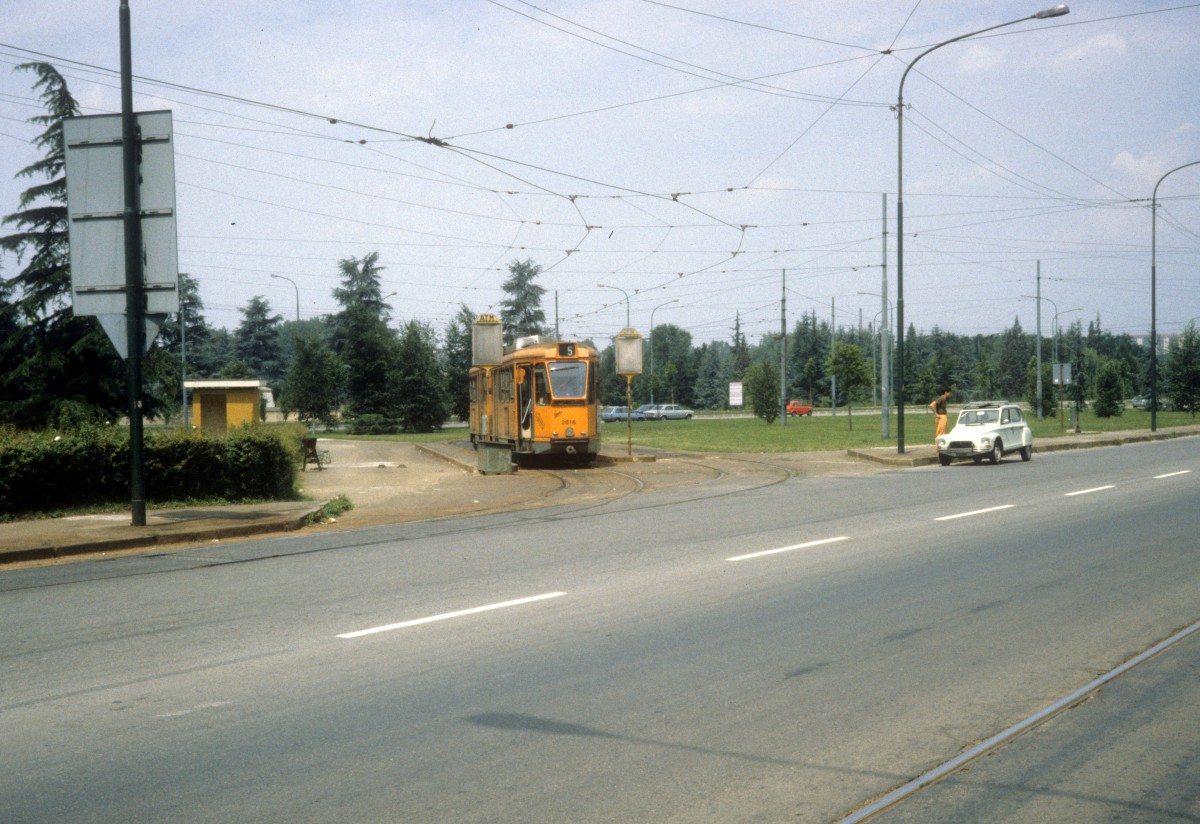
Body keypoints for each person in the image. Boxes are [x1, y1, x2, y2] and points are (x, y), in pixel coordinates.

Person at [930, 388, 952, 453]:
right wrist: (936, 414)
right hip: (941, 417)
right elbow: (932, 405)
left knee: (942, 432)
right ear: (946, 392)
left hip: (942, 416)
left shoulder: (944, 399)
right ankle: (938, 450)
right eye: (950, 393)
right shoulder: (942, 398)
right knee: (940, 433)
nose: (950, 395)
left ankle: (940, 448)